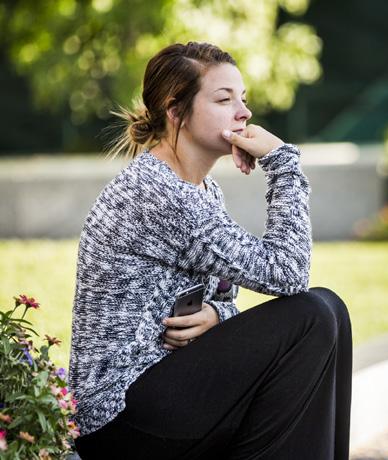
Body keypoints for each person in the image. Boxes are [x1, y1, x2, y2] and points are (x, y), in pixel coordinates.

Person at [68, 42, 352, 460]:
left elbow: (223, 295)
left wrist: (221, 315)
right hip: (118, 417)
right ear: (176, 111)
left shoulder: (199, 189)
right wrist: (282, 164)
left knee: (329, 309)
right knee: (311, 316)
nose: (244, 112)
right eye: (224, 99)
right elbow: (288, 273)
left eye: (243, 99)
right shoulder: (157, 193)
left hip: (165, 389)